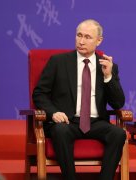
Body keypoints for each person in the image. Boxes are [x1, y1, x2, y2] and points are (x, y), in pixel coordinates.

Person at [33, 19, 126, 180]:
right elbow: (39, 93)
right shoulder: (58, 62)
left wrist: (108, 76)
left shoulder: (106, 66)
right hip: (67, 121)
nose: (81, 41)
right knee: (60, 130)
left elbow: (118, 103)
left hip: (96, 122)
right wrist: (53, 112)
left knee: (118, 133)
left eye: (88, 37)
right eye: (79, 35)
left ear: (99, 40)